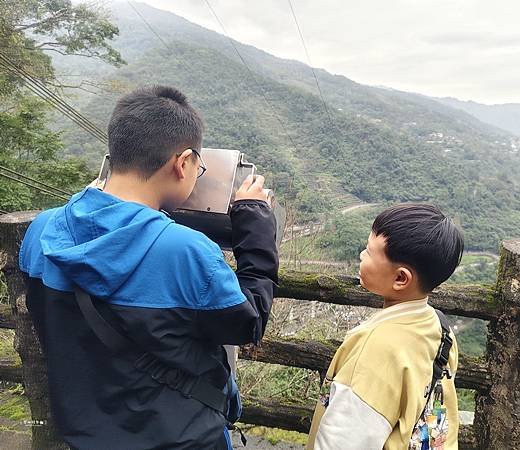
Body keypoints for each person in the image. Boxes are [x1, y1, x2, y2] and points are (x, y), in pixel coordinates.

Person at [19, 85, 278, 450]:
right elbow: (248, 322)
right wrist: (256, 224)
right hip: (183, 440)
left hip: (84, 436)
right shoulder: (185, 252)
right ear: (183, 162)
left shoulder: (42, 230)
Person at [307, 204, 464, 450]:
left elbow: (340, 442)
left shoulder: (375, 350)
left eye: (369, 252)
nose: (361, 255)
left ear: (401, 278)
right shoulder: (440, 328)